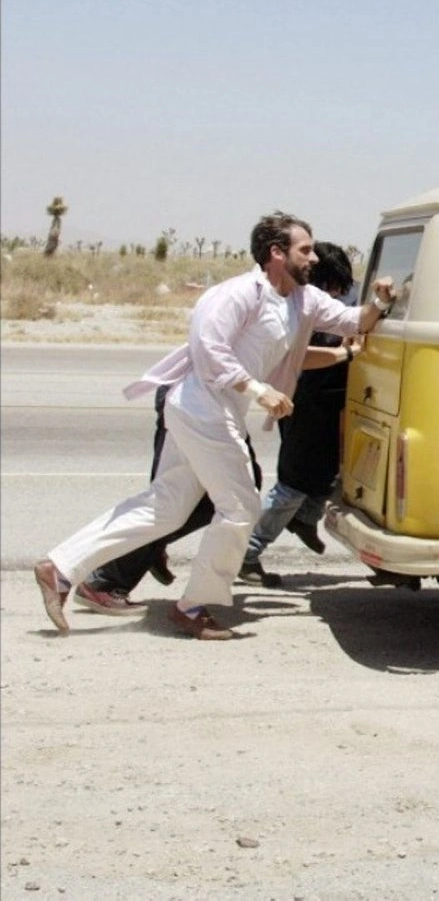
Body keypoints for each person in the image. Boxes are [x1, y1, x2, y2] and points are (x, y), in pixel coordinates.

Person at [33, 212, 394, 640]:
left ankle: (60, 567)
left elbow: (354, 322)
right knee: (241, 507)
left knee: (166, 506)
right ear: (277, 253)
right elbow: (208, 348)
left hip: (217, 412)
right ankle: (193, 606)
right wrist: (259, 390)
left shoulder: (304, 299)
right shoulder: (237, 293)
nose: (313, 258)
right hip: (201, 406)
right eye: (305, 250)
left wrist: (380, 302)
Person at [69, 385, 262, 615]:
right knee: (185, 501)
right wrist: (261, 390)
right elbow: (216, 363)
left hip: (212, 405)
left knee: (218, 497)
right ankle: (105, 578)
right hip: (196, 403)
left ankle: (145, 549)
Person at [239, 242, 359, 587]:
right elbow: (303, 358)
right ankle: (246, 553)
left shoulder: (309, 308)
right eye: (334, 285)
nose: (338, 293)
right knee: (293, 484)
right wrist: (345, 353)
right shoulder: (309, 313)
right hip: (306, 410)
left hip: (315, 409)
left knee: (326, 475)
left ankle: (305, 519)